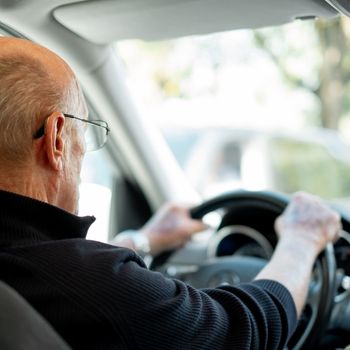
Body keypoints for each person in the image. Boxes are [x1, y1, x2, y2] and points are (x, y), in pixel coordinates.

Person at [0, 37, 341, 350]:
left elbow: (52, 278)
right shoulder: (88, 284)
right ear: (57, 138)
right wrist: (302, 241)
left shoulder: (36, 273)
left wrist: (144, 240)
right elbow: (243, 330)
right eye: (83, 131)